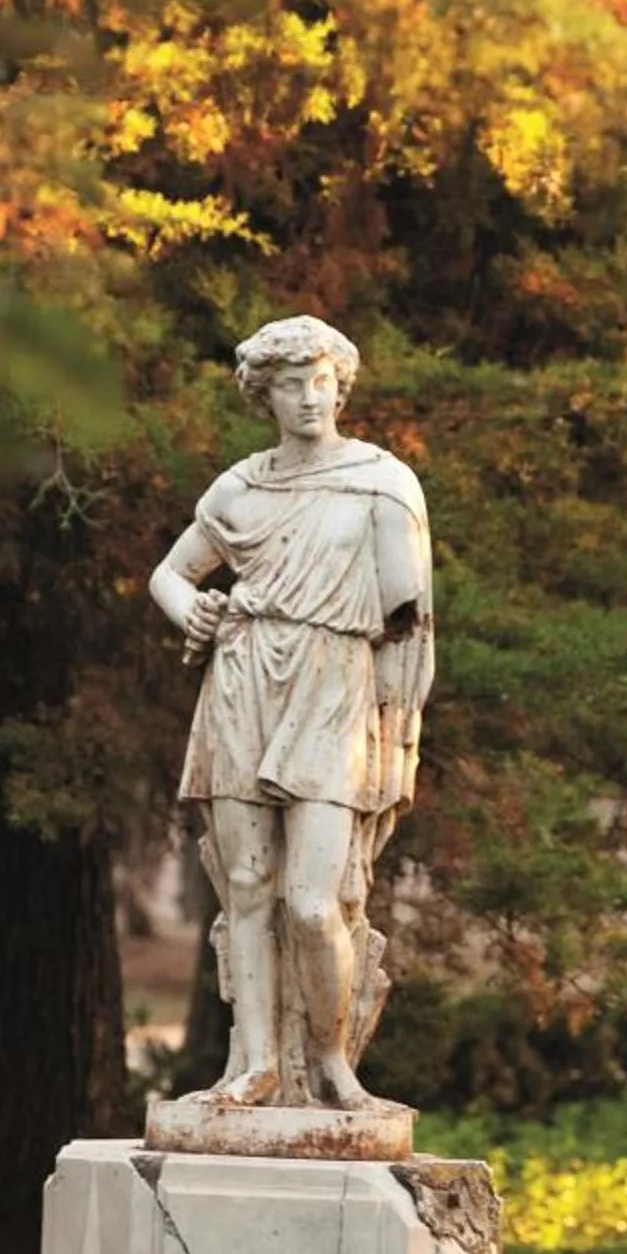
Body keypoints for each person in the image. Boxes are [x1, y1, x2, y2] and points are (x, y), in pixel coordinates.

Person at [148, 314, 434, 1110]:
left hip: (330, 687)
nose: (309, 400)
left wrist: (387, 718)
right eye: (289, 386)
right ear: (263, 396)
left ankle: (333, 1062)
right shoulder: (241, 488)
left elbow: (404, 615)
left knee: (314, 902)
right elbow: (169, 575)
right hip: (242, 678)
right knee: (245, 883)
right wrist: (191, 611)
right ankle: (256, 1064)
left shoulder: (381, 482)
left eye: (320, 383)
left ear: (340, 386)